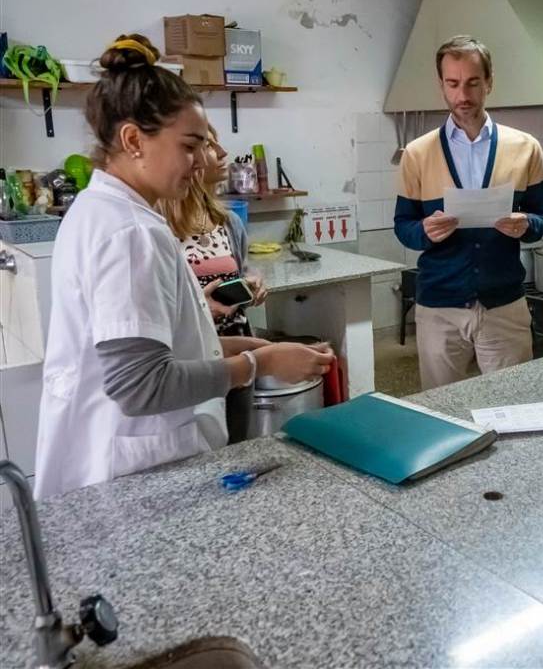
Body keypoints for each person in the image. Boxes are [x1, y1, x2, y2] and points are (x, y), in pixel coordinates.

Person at [34, 35, 333, 499]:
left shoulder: (102, 210)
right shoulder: (131, 232)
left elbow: (157, 342)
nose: (200, 164)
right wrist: (257, 363)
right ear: (133, 139)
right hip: (132, 470)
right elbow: (141, 385)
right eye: (189, 146)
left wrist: (240, 343)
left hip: (114, 458)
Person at [394, 35, 543, 390]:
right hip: (439, 310)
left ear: (489, 82)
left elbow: (542, 217)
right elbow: (403, 225)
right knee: (441, 412)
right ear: (441, 86)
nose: (462, 95)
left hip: (504, 306)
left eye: (472, 83)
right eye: (452, 84)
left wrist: (526, 224)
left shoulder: (526, 148)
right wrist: (424, 232)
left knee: (512, 405)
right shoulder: (417, 154)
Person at [157, 124, 270, 443]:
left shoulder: (228, 222)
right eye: (208, 145)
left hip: (237, 352)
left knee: (238, 445)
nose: (222, 154)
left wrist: (251, 283)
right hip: (190, 363)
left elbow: (241, 270)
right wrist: (200, 309)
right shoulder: (158, 229)